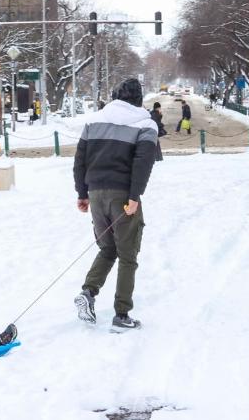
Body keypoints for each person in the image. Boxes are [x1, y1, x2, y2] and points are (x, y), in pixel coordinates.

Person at [73, 78, 158, 331]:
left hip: (96, 194)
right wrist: (134, 197)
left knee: (107, 249)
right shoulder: (145, 123)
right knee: (128, 255)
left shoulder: (94, 120)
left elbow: (80, 160)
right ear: (139, 98)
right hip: (123, 196)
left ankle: (88, 292)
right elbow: (143, 162)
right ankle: (122, 315)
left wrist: (82, 193)